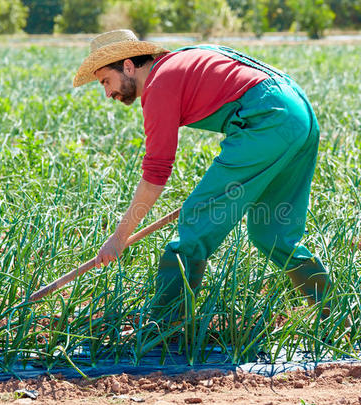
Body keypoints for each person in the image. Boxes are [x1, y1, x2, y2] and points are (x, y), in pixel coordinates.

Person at [73, 29, 330, 323]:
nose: (107, 93)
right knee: (273, 234)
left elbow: (156, 171)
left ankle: (162, 331)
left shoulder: (159, 84)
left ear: (128, 65)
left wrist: (118, 238)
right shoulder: (181, 60)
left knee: (195, 224)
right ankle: (336, 314)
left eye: (106, 81)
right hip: (297, 112)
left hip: (267, 119)